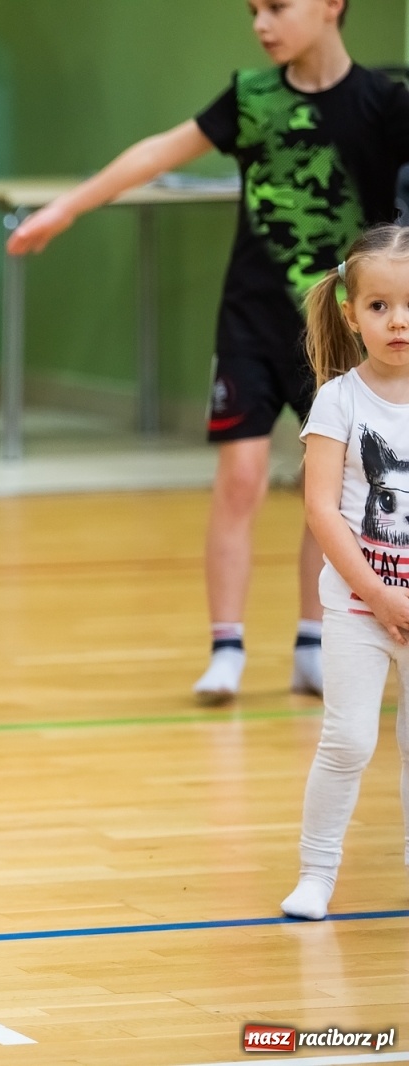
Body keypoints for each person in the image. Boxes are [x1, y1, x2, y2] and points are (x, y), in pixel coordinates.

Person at [7, 0, 409, 704]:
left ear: (331, 6)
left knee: (337, 491)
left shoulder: (383, 103)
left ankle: (312, 643)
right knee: (241, 476)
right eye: (253, 9)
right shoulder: (250, 98)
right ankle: (226, 645)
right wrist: (68, 207)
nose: (261, 22)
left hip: (345, 329)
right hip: (251, 320)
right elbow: (159, 151)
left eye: (277, 7)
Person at [281, 226, 409, 920]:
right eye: (381, 306)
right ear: (350, 313)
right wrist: (379, 595)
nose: (399, 322)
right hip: (360, 607)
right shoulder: (338, 400)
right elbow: (321, 511)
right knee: (349, 739)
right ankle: (317, 874)